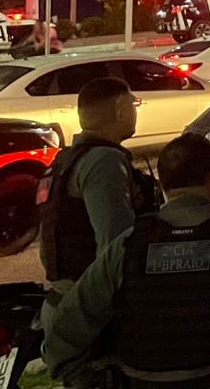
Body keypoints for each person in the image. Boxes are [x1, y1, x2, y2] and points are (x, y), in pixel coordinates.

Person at [42, 131, 210, 386]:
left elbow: (75, 317)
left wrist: (73, 372)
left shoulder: (130, 242)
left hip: (141, 381)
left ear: (162, 182)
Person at [38, 78, 157, 307]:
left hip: (68, 294)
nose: (135, 111)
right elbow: (115, 243)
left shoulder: (66, 159)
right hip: (91, 302)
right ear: (121, 111)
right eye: (134, 104)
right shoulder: (104, 161)